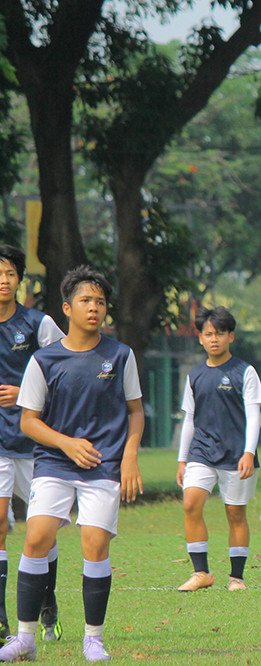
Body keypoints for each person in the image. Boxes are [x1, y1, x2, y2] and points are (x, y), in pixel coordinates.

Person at [0, 266, 143, 662]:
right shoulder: (44, 360)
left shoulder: (120, 355)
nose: (94, 308)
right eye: (85, 300)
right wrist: (67, 444)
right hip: (54, 464)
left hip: (104, 465)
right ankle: (25, 638)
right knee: (35, 537)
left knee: (95, 544)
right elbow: (29, 420)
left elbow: (135, 412)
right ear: (67, 307)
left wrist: (129, 457)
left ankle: (93, 639)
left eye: (100, 302)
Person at [176, 306, 261, 593]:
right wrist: (182, 458)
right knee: (191, 503)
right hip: (201, 451)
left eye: (220, 333)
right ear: (200, 338)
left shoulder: (245, 372)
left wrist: (249, 452)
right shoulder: (195, 374)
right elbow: (190, 418)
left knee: (235, 514)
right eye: (208, 334)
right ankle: (200, 572)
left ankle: (236, 578)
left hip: (236, 454)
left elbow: (253, 416)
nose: (214, 339)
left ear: (231, 336)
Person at [0, 246, 65, 641]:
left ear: (19, 279)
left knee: (43, 532)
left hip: (33, 441)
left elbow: (66, 367)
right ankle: (2, 618)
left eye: (9, 273)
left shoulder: (38, 324)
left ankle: (48, 600)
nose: (2, 280)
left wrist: (25, 390)